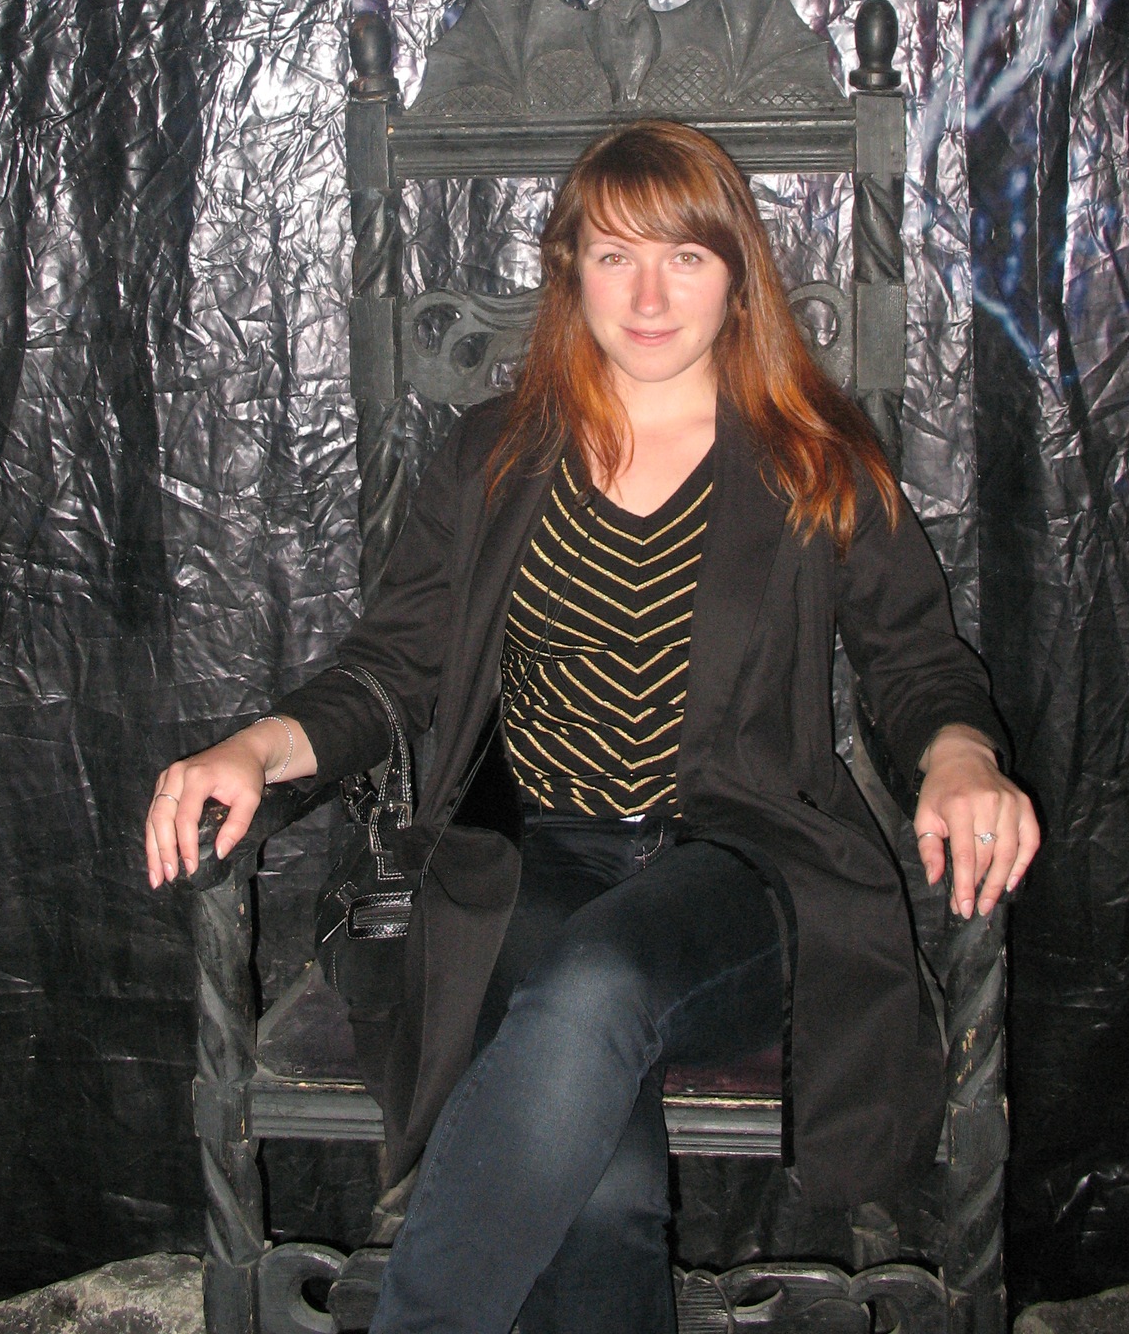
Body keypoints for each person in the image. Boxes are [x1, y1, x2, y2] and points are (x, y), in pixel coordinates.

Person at [146, 120, 1040, 1334]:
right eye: (616, 255)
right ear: (569, 271)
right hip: (529, 860)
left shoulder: (814, 459)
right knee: (599, 1194)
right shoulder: (494, 454)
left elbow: (918, 661)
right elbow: (393, 663)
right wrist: (256, 747)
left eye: (685, 256)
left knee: (598, 976)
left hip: (739, 863)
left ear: (738, 276)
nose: (650, 294)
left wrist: (964, 756)